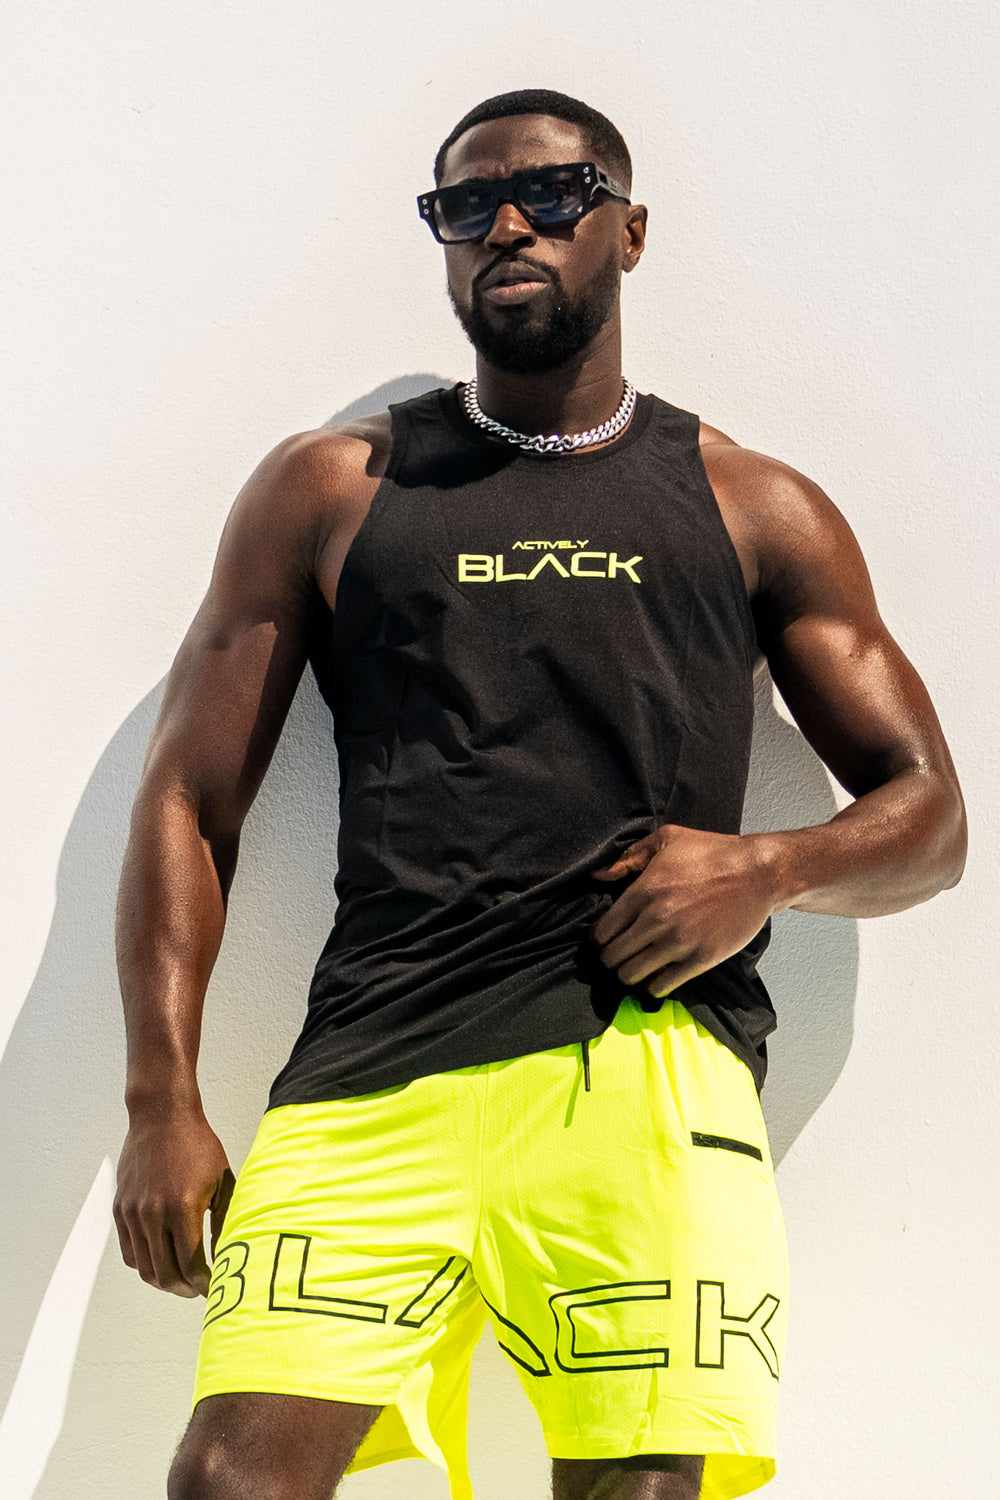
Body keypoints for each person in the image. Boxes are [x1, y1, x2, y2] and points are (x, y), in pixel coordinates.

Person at [113, 88, 966, 1500]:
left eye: (556, 194)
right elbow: (187, 801)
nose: (508, 224)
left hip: (651, 1074)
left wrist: (766, 871)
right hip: (372, 1071)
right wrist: (161, 1097)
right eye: (467, 205)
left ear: (629, 232)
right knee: (230, 1483)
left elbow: (930, 816)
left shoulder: (752, 502)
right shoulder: (333, 489)